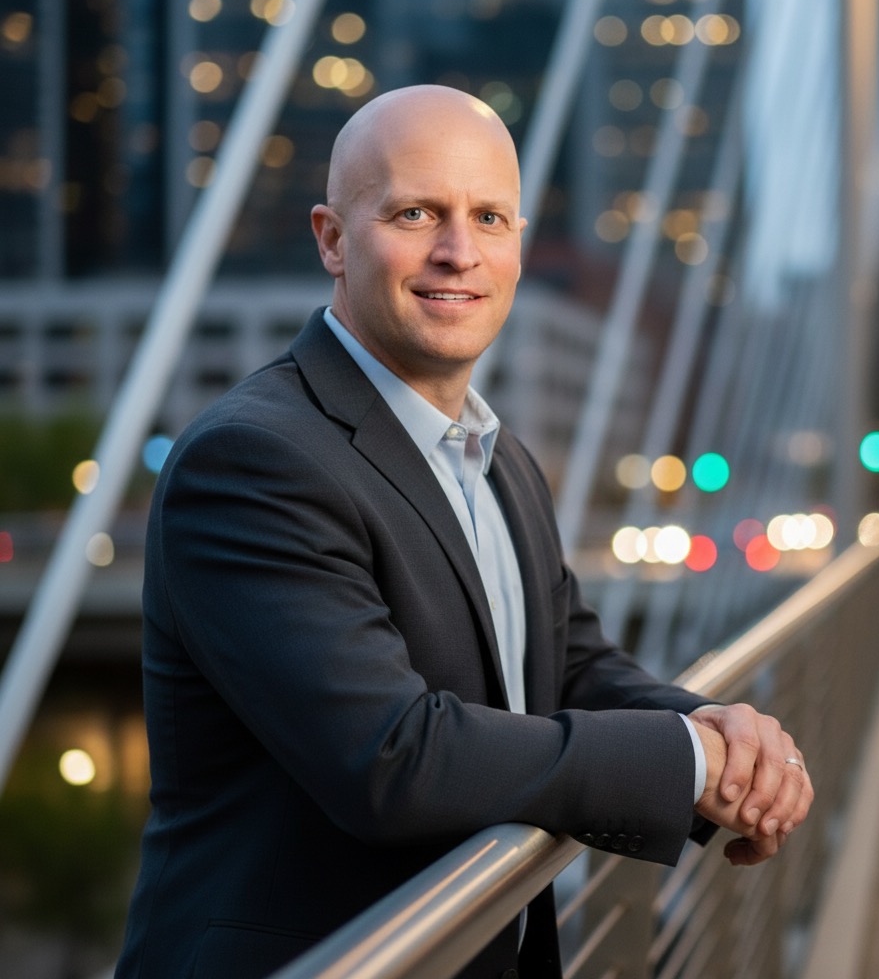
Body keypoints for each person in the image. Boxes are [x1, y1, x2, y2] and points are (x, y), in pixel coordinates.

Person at [115, 85, 812, 979]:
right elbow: (391, 757)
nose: (459, 252)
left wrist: (728, 740)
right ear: (331, 237)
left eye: (489, 217)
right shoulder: (254, 459)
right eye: (416, 213)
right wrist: (687, 763)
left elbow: (569, 667)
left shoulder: (497, 455)